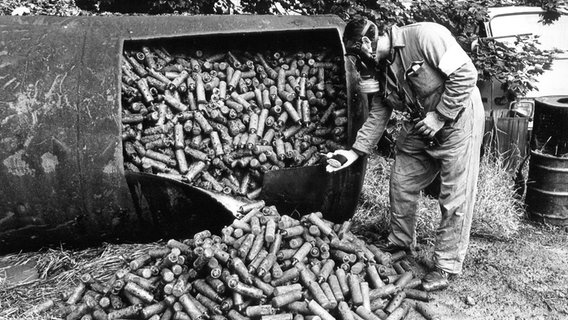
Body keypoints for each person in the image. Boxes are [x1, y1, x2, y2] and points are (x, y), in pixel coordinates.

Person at [326, 18, 485, 291]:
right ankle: (400, 241)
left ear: (367, 42)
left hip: (458, 118)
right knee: (402, 179)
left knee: (454, 195)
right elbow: (379, 112)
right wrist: (354, 152)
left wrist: (440, 116)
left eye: (357, 53)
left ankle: (446, 266)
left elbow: (466, 75)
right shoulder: (379, 67)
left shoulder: (426, 37)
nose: (360, 62)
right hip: (423, 122)